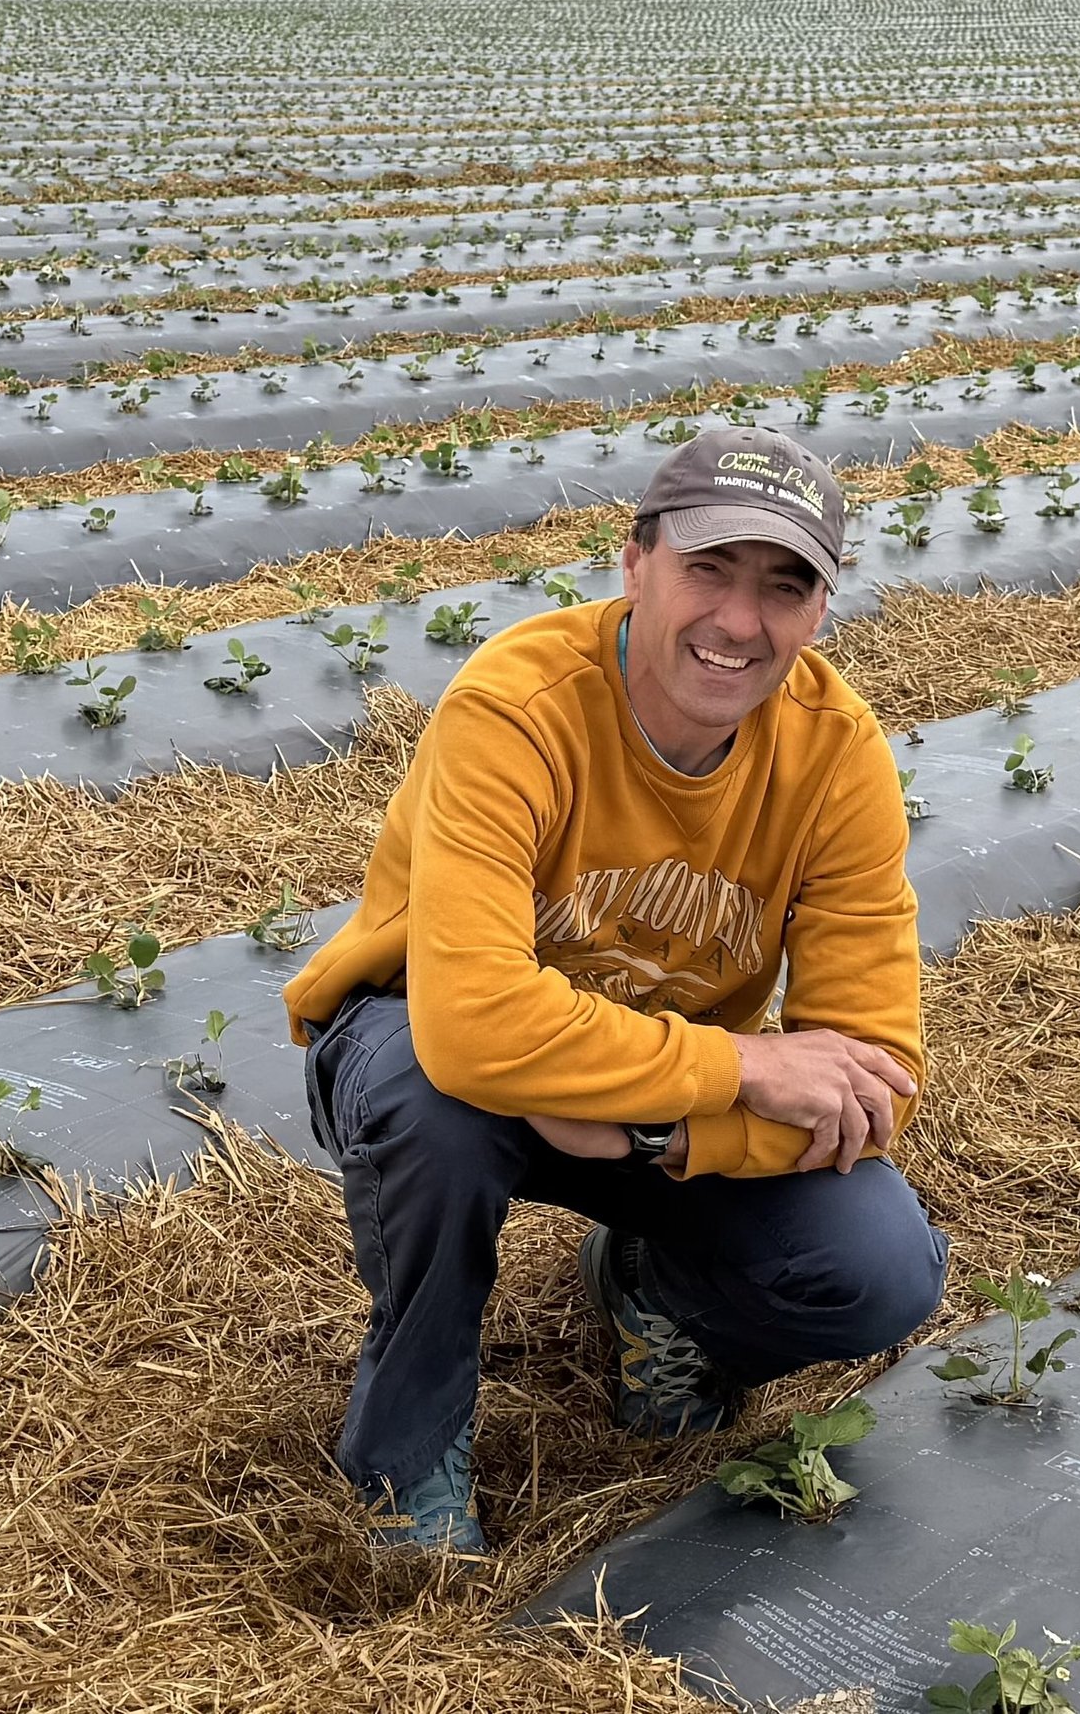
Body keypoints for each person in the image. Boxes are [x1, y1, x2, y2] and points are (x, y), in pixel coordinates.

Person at [284, 428, 947, 1555]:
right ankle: (409, 1446)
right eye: (708, 570)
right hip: (421, 1053)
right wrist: (739, 1066)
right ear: (634, 563)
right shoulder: (518, 702)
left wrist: (659, 1126)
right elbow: (475, 1026)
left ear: (821, 612)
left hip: (637, 1104)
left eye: (784, 587)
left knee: (880, 1268)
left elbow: (877, 1078)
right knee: (436, 1111)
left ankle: (660, 1289)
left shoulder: (836, 755)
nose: (740, 622)